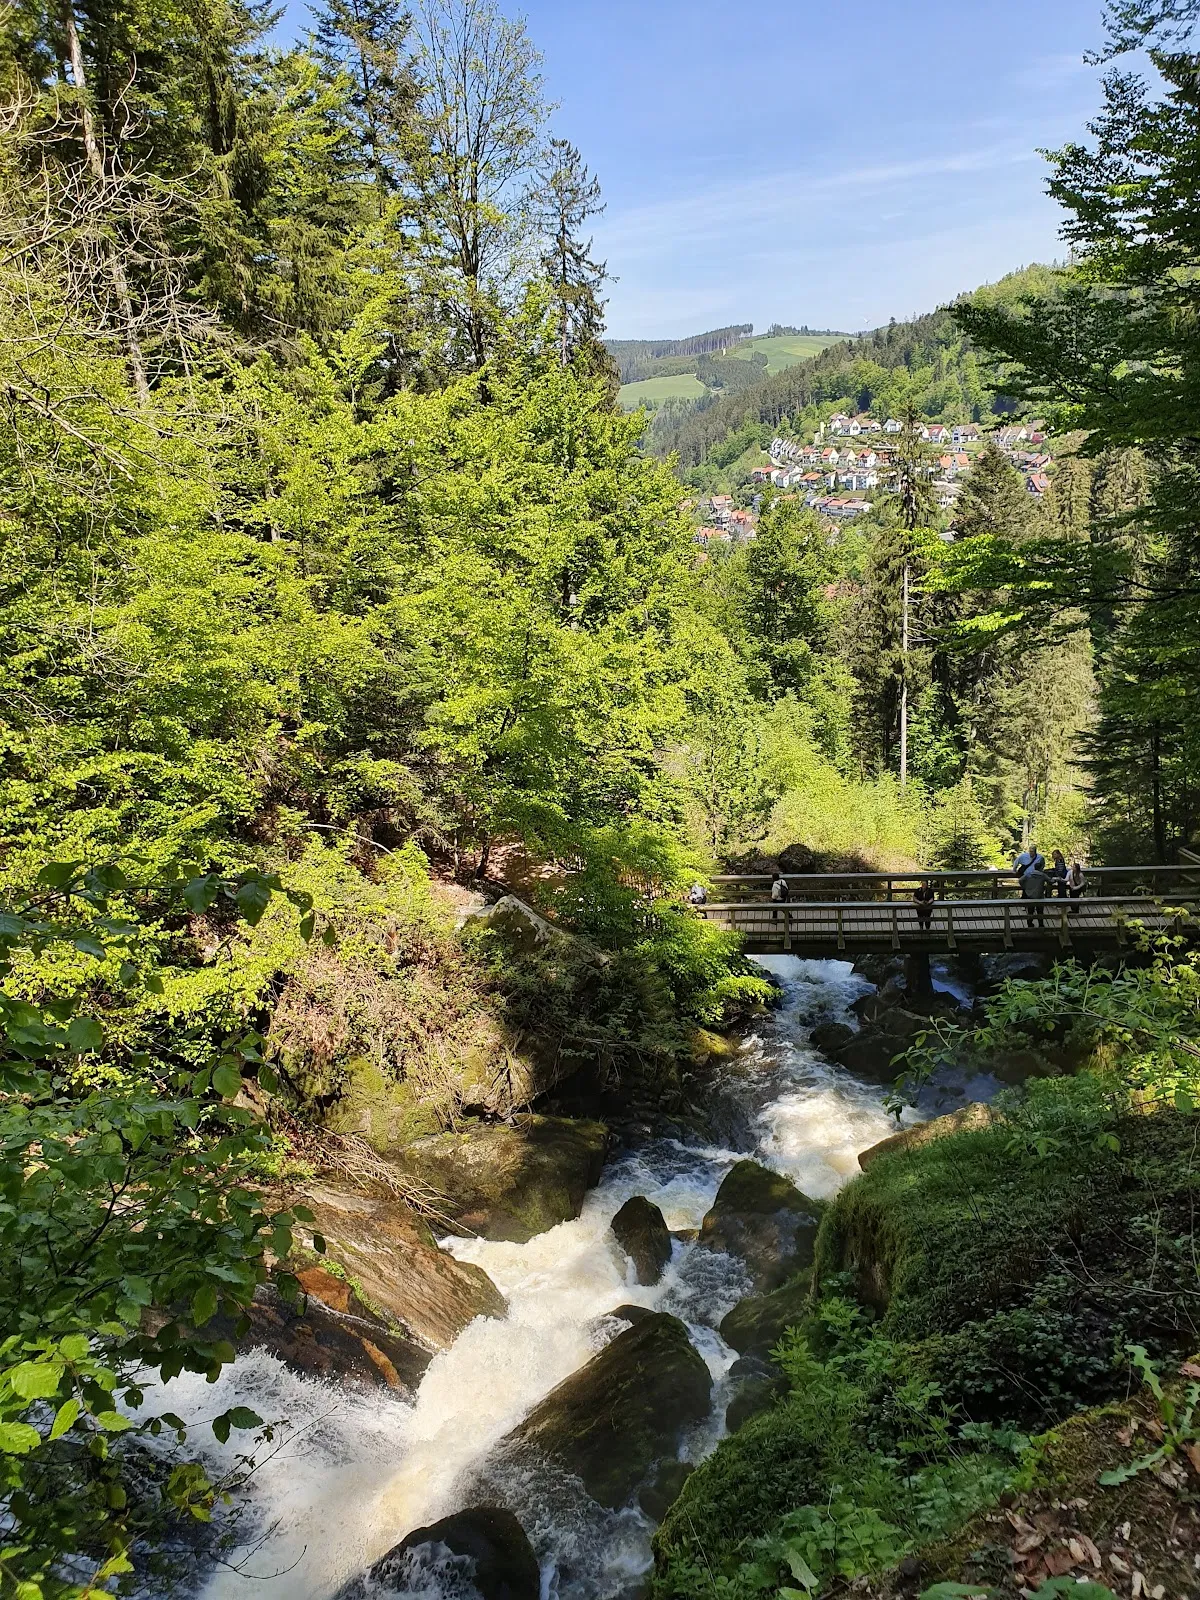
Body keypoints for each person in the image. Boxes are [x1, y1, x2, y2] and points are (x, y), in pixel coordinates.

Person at [1021, 855, 1048, 927]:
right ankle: (1041, 925)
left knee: (1030, 911)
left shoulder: (1028, 874)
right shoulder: (1042, 875)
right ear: (1040, 868)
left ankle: (1029, 924)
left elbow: (1020, 880)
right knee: (1040, 911)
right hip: (1039, 895)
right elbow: (1051, 881)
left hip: (1030, 895)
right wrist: (1057, 879)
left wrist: (1025, 887)